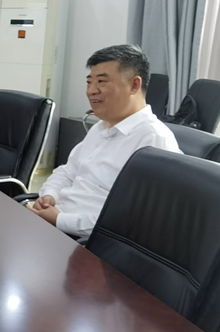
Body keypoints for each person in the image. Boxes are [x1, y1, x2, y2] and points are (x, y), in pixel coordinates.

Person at [29, 44, 180, 239]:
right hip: (53, 222)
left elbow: (135, 219)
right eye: (89, 82)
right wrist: (49, 195)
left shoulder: (153, 140)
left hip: (86, 241)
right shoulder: (101, 127)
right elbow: (67, 172)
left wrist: (60, 220)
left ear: (134, 85)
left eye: (101, 81)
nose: (91, 91)